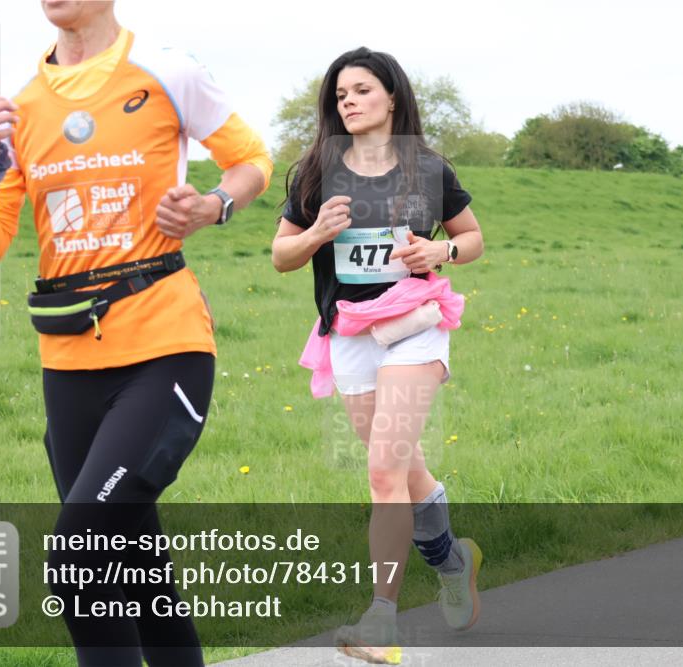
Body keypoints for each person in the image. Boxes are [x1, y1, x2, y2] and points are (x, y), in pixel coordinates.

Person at [0, 2, 272, 665]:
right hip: (67, 366)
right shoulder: (20, 111)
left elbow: (252, 160)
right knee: (134, 561)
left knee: (78, 557)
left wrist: (214, 205)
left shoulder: (168, 72)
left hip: (164, 348)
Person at [271, 47, 485, 664]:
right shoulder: (315, 170)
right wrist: (316, 234)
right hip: (349, 331)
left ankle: (381, 621)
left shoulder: (428, 169)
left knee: (383, 472)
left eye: (362, 90)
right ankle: (451, 558)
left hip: (415, 325)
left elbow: (471, 238)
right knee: (400, 464)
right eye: (340, 94)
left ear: (392, 96)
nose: (349, 101)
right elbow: (282, 256)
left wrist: (437, 254)